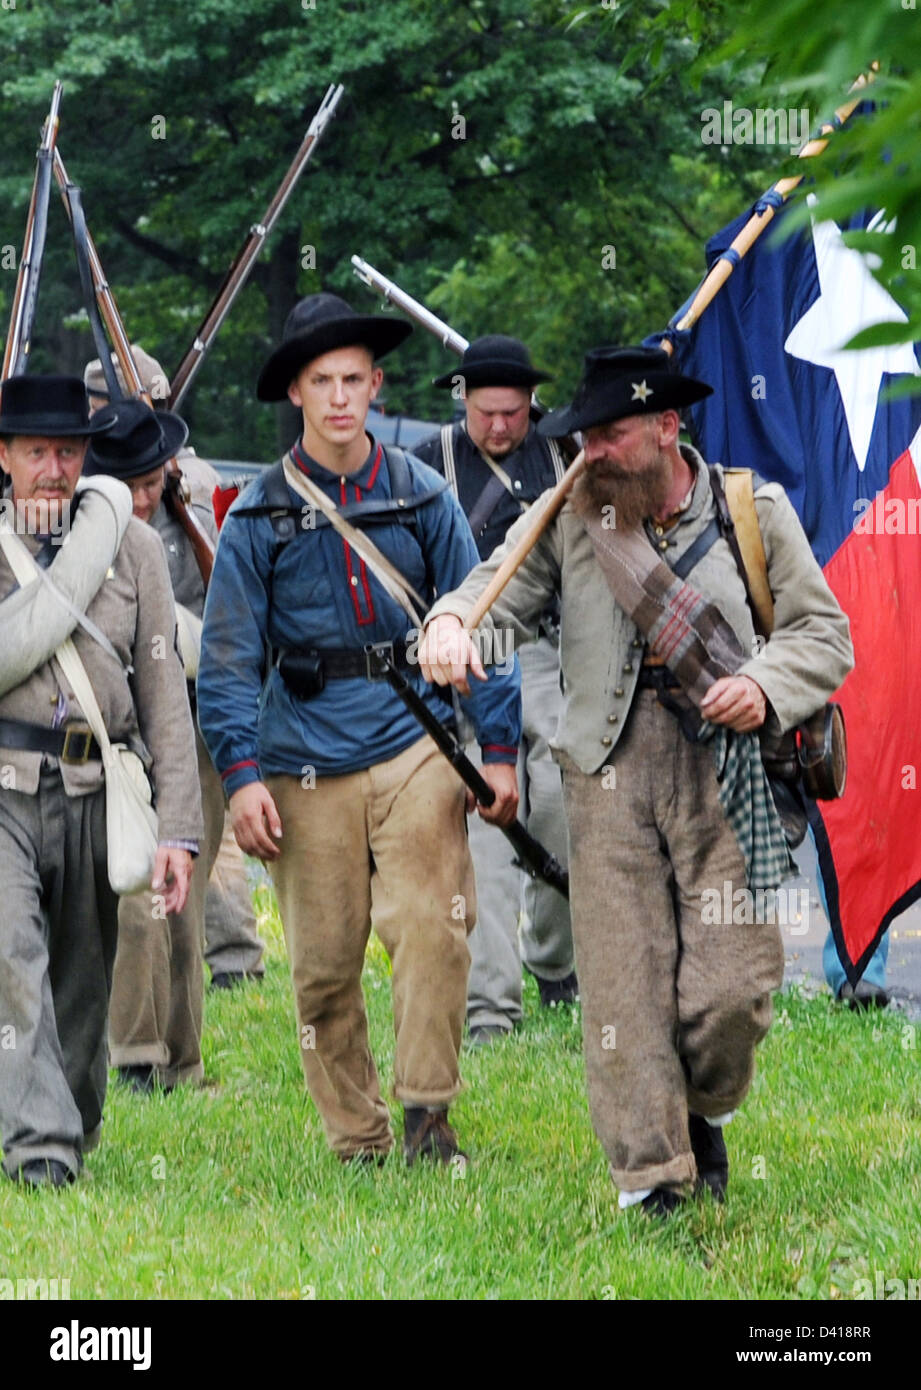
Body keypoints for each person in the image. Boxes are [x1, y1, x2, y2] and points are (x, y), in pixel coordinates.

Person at [418, 345, 854, 1213]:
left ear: (666, 426)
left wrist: (762, 685)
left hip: (727, 772)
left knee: (731, 991)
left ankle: (701, 1110)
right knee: (623, 984)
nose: (591, 454)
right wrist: (450, 622)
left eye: (609, 436)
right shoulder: (571, 514)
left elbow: (824, 635)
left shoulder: (749, 510)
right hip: (603, 770)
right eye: (583, 438)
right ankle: (651, 1180)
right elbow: (489, 590)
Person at [196, 292, 521, 1164]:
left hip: (412, 738)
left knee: (429, 924)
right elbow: (226, 657)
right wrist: (239, 775)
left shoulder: (423, 495)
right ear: (296, 394)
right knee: (324, 966)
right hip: (301, 756)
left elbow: (479, 615)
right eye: (320, 381)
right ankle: (356, 1136)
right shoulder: (257, 514)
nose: (339, 398)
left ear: (375, 385)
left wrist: (495, 750)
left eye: (352, 379)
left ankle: (426, 1115)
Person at [0, 374, 201, 1187]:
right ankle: (41, 1145)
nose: (55, 467)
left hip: (98, 785)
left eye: (69, 450)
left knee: (84, 979)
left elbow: (163, 700)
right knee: (12, 960)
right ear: (4, 456)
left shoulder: (133, 546)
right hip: (3, 784)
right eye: (38, 451)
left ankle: (70, 1119)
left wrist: (180, 833)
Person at [84, 349, 266, 994]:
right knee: (139, 854)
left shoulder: (194, 480)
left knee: (200, 833)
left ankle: (235, 958)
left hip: (192, 681)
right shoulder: (85, 487)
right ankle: (143, 1017)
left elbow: (226, 588)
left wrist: (184, 503)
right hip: (109, 697)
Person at [413, 337, 576, 1044]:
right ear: (463, 400)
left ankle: (555, 963)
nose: (501, 428)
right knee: (484, 813)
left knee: (561, 806)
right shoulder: (424, 463)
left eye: (513, 414)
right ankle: (490, 1007)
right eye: (487, 414)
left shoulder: (563, 457)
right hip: (454, 651)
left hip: (544, 647)